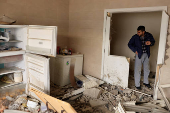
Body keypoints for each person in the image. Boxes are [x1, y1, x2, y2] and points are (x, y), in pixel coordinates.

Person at [128, 26, 155, 90]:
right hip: (139, 55)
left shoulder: (149, 35)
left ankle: (146, 82)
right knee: (138, 70)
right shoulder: (135, 37)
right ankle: (137, 85)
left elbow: (153, 42)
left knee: (147, 69)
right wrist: (135, 50)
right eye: (137, 32)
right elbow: (129, 44)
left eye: (139, 32)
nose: (138, 33)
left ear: (143, 32)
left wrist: (150, 43)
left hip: (147, 54)